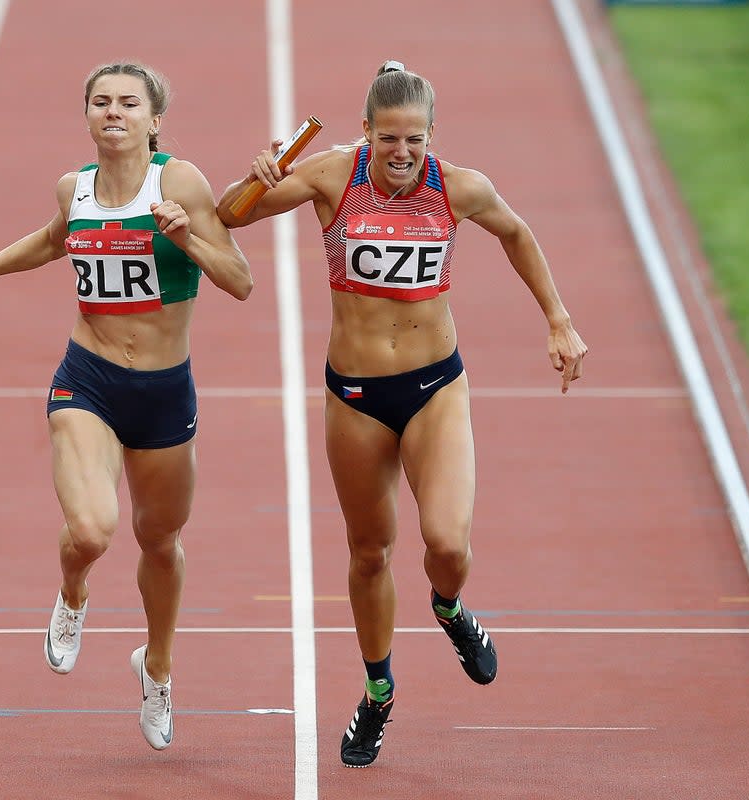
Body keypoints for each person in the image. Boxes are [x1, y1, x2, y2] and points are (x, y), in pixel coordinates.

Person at [217, 60, 587, 767]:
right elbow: (233, 215)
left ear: (431, 136)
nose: (402, 153)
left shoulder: (459, 187)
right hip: (355, 395)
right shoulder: (332, 175)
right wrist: (257, 174)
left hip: (435, 387)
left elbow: (515, 232)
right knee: (368, 552)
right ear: (366, 132)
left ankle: (449, 609)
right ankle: (378, 692)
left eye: (415, 139)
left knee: (446, 543)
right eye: (389, 138)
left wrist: (558, 320)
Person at [0, 61, 253, 751]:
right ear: (86, 115)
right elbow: (51, 242)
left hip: (165, 395)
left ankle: (156, 668)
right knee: (94, 531)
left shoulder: (181, 181)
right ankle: (73, 593)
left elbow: (241, 281)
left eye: (129, 103)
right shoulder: (74, 189)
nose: (114, 112)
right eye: (101, 101)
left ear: (153, 119)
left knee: (160, 541)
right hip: (89, 382)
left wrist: (186, 234)